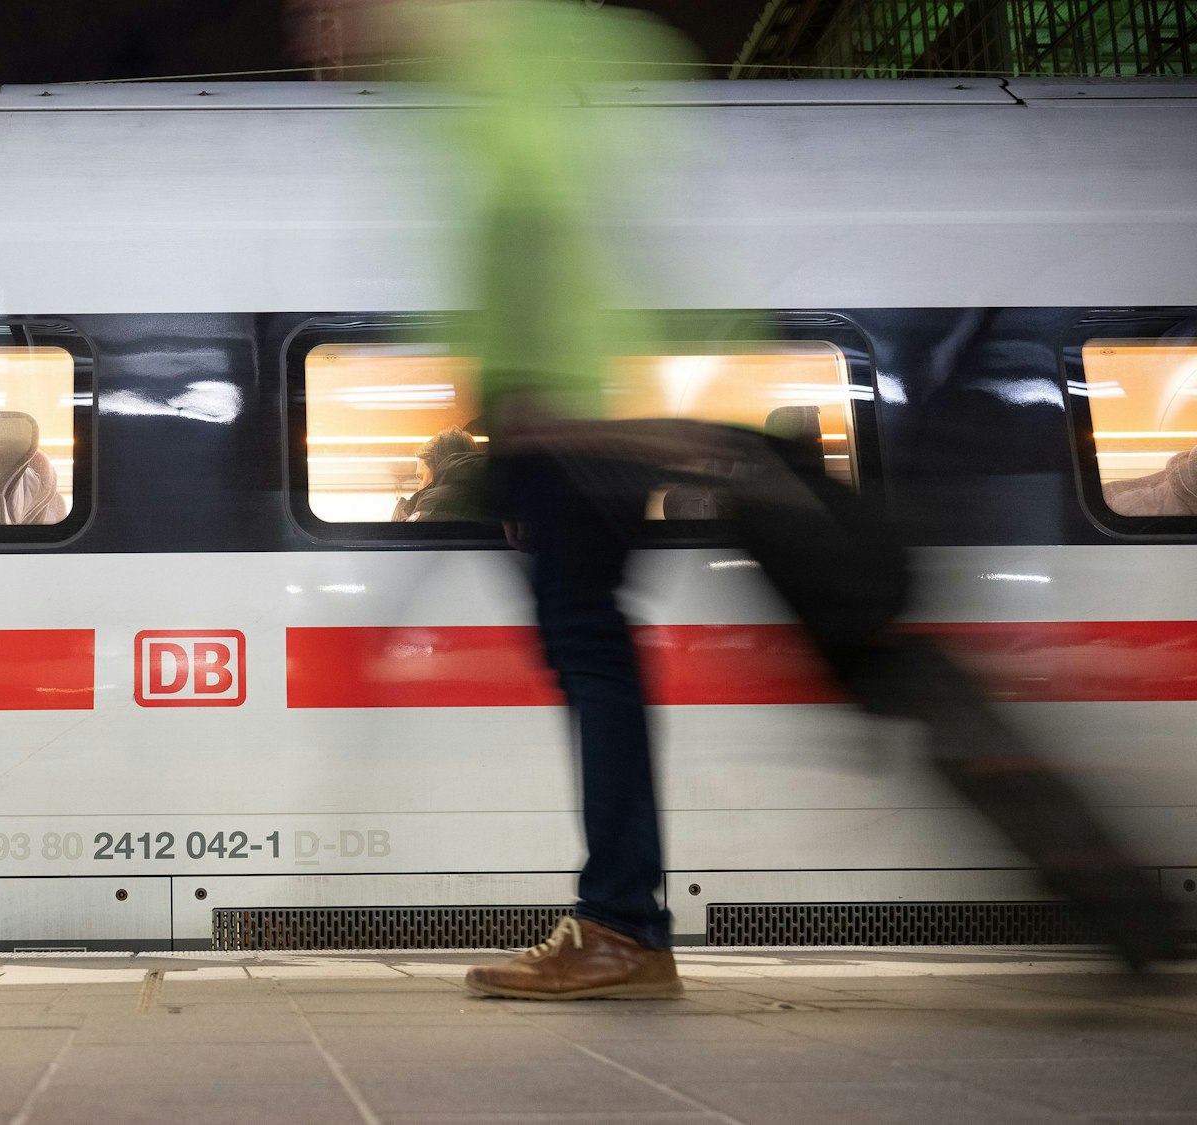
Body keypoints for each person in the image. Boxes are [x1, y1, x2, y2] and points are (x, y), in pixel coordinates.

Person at [346, 0, 1179, 999]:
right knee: (799, 663)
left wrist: (544, 410)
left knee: (599, 659)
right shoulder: (532, 73)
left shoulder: (507, 85)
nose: (322, 26)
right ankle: (625, 921)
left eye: (333, 6)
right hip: (581, 428)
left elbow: (546, 237)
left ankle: (621, 926)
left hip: (569, 430)